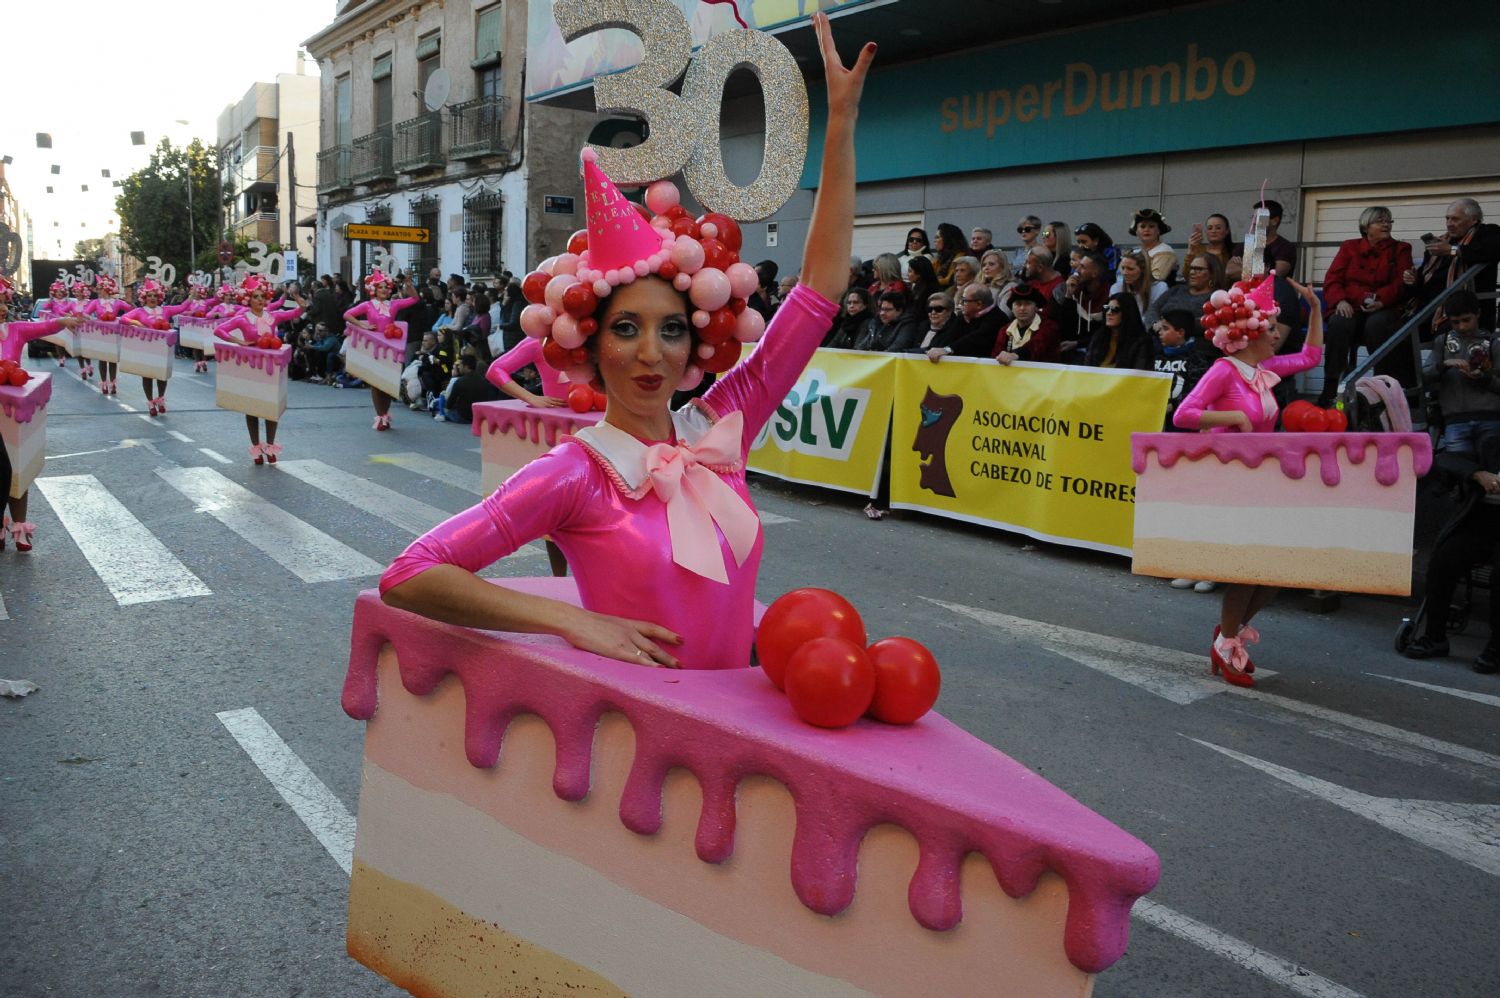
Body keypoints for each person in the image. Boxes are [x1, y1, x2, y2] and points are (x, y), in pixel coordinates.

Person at [380, 12, 873, 671]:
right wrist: (573, 622)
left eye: (670, 329)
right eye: (625, 329)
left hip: (736, 736)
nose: (651, 353)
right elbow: (410, 573)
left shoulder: (720, 424)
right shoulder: (571, 474)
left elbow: (818, 291)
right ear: (587, 343)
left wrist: (841, 123)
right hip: (633, 744)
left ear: (699, 336)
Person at [1172, 278, 1325, 686]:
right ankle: (1226, 643)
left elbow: (1311, 356)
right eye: (1272, 328)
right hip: (1229, 479)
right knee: (1250, 566)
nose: (1278, 334)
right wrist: (1233, 418)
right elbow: (1183, 415)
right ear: (1251, 333)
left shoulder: (1263, 370)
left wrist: (1315, 310)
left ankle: (1229, 634)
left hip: (1262, 478)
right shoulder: (1224, 370)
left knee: (1275, 571)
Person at [0, 276, 80, 551]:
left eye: (2, 301)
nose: (0, 307)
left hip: (13, 412)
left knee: (17, 468)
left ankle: (19, 526)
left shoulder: (16, 330)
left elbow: (41, 327)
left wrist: (62, 322)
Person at [1318, 206, 1414, 404]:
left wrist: (1381, 301)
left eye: (1389, 221)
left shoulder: (1401, 249)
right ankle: (1331, 385)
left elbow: (1400, 284)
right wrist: (1340, 301)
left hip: (1384, 307)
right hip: (1351, 305)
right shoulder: (1349, 247)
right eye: (1380, 221)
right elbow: (1333, 279)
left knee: (1378, 325)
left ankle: (1383, 386)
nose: (1386, 224)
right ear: (1366, 226)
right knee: (1338, 322)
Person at [214, 276, 306, 464]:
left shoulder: (273, 316)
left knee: (271, 406)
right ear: (248, 299)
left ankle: (270, 446)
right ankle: (256, 447)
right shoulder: (242, 318)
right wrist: (239, 342)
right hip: (251, 366)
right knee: (253, 407)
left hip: (271, 366)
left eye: (262, 296)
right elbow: (219, 330)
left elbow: (295, 313)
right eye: (255, 296)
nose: (260, 300)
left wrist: (300, 303)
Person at [1424, 290, 1500, 459]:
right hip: (1455, 419)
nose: (1462, 327)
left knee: (1491, 470)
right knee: (1460, 471)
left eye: (1467, 320)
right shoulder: (1442, 342)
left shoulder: (1493, 344)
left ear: (1478, 314)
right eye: (1455, 322)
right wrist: (1443, 366)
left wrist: (1483, 377)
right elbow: (1424, 377)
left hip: (1490, 418)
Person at [1405, 197, 1500, 330]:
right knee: (1388, 326)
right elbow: (1425, 284)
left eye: (1455, 219)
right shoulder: (1439, 244)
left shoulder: (1487, 232)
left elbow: (1492, 249)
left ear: (1473, 219)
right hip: (1428, 307)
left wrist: (1453, 250)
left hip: (1464, 310)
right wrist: (1413, 280)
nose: (1449, 223)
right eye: (1447, 218)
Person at [344, 270, 420, 431]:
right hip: (374, 347)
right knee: (376, 383)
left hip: (390, 348)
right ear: (374, 289)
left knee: (387, 382)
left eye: (386, 287)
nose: (384, 290)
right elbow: (347, 314)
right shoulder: (367, 305)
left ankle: (385, 414)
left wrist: (408, 283)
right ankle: (380, 417)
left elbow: (414, 299)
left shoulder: (394, 304)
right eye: (380, 287)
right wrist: (362, 324)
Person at [120, 278, 193, 415]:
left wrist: (192, 296)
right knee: (147, 376)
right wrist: (136, 322)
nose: (152, 298)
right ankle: (150, 403)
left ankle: (160, 398)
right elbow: (124, 319)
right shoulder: (140, 311)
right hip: (146, 348)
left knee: (162, 375)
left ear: (159, 297)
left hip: (162, 349)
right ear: (144, 297)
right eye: (149, 295)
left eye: (155, 295)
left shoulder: (165, 310)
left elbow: (182, 307)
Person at [1145, 252, 1224, 330]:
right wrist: (1155, 323)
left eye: (1198, 269)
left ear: (1212, 273)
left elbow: (1209, 321)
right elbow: (1153, 309)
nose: (1192, 272)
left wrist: (1171, 326)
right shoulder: (1177, 289)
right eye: (1191, 268)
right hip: (1159, 335)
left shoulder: (1216, 297)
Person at [991, 284, 1059, 365]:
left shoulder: (1049, 326)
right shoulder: (1004, 330)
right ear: (1012, 308)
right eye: (1018, 304)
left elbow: (1036, 346)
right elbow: (996, 356)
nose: (1022, 308)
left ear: (1036, 307)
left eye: (1028, 304)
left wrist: (1015, 354)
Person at [1086, 292, 1155, 370]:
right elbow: (1087, 368)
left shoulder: (1142, 341)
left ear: (1127, 313)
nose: (1109, 313)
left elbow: (1139, 373)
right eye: (1107, 308)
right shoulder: (1098, 337)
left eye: (1115, 309)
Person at [1111, 249, 1168, 320]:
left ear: (1143, 269)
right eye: (1123, 268)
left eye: (1130, 269)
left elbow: (1156, 317)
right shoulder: (1116, 288)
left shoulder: (1159, 287)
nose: (1124, 272)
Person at [1187, 213, 1242, 283]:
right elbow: (1187, 276)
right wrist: (1190, 250)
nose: (1213, 231)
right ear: (1206, 232)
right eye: (1210, 228)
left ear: (1227, 231)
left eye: (1218, 228)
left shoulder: (1235, 251)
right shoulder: (1198, 250)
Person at [1130, 209, 1178, 284]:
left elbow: (1157, 279)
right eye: (1142, 226)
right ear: (1137, 231)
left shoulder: (1165, 251)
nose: (1146, 229)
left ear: (1158, 231)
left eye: (1151, 226)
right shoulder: (1134, 251)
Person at [977, 249, 1018, 318]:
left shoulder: (1010, 287)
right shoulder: (976, 287)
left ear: (1002, 267)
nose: (986, 268)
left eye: (991, 264)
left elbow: (1004, 315)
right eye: (984, 265)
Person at [932, 222, 966, 289]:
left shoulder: (960, 257)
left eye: (937, 237)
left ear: (947, 239)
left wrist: (932, 281)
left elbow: (949, 280)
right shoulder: (940, 257)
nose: (934, 240)